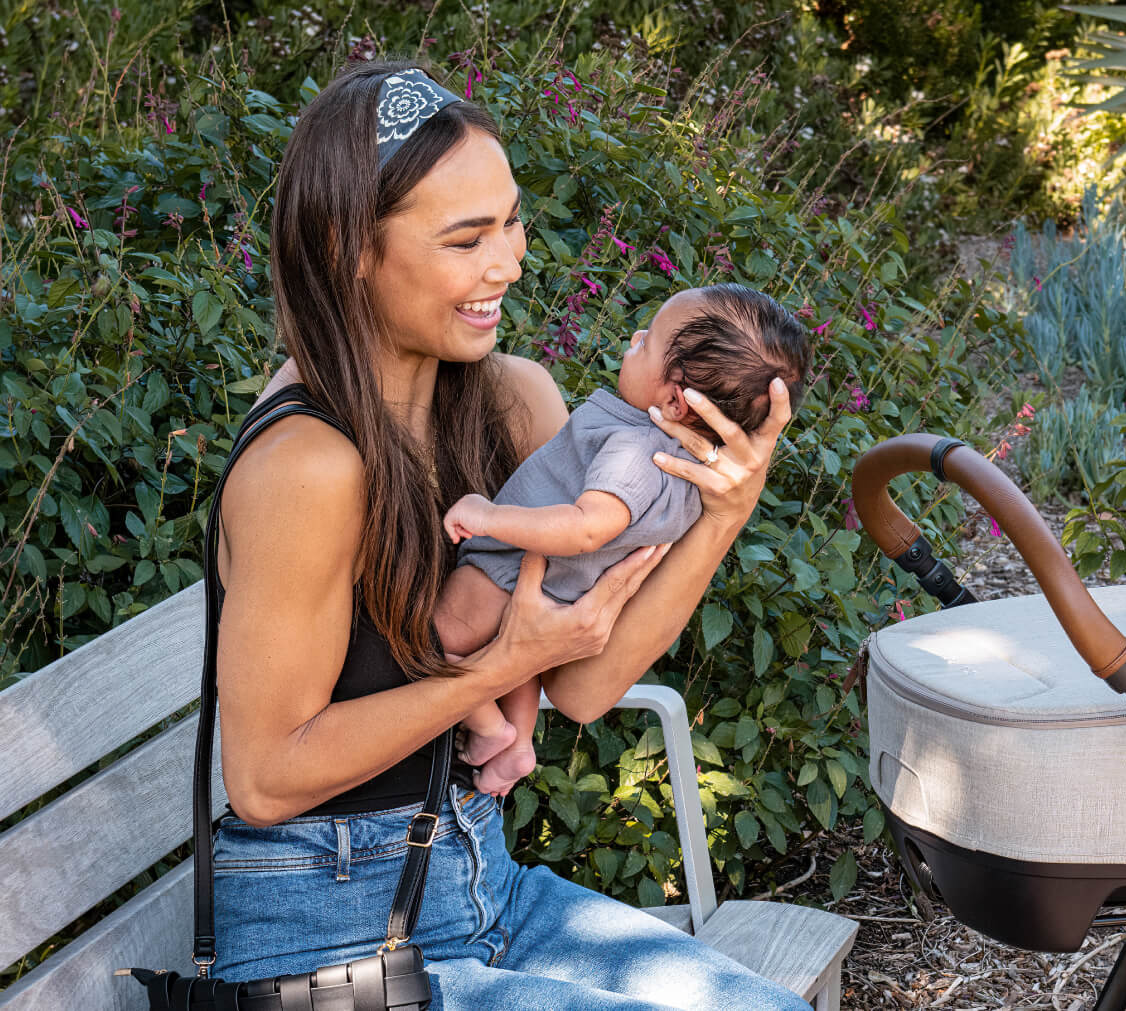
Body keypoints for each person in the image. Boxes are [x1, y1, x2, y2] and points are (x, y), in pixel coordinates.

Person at [208, 61, 815, 1009]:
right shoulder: (308, 465)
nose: (510, 261)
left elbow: (582, 683)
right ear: (347, 249)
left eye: (511, 220)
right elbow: (265, 777)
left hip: (480, 890)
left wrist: (723, 511)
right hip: (324, 952)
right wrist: (492, 672)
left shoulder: (512, 401)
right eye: (466, 238)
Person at [437, 284, 811, 796]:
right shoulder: (684, 476)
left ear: (677, 400)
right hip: (549, 592)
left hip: (507, 568)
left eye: (647, 342)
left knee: (429, 643)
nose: (633, 337)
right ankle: (516, 742)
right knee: (512, 656)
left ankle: (491, 728)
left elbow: (587, 525)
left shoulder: (635, 451)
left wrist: (488, 514)